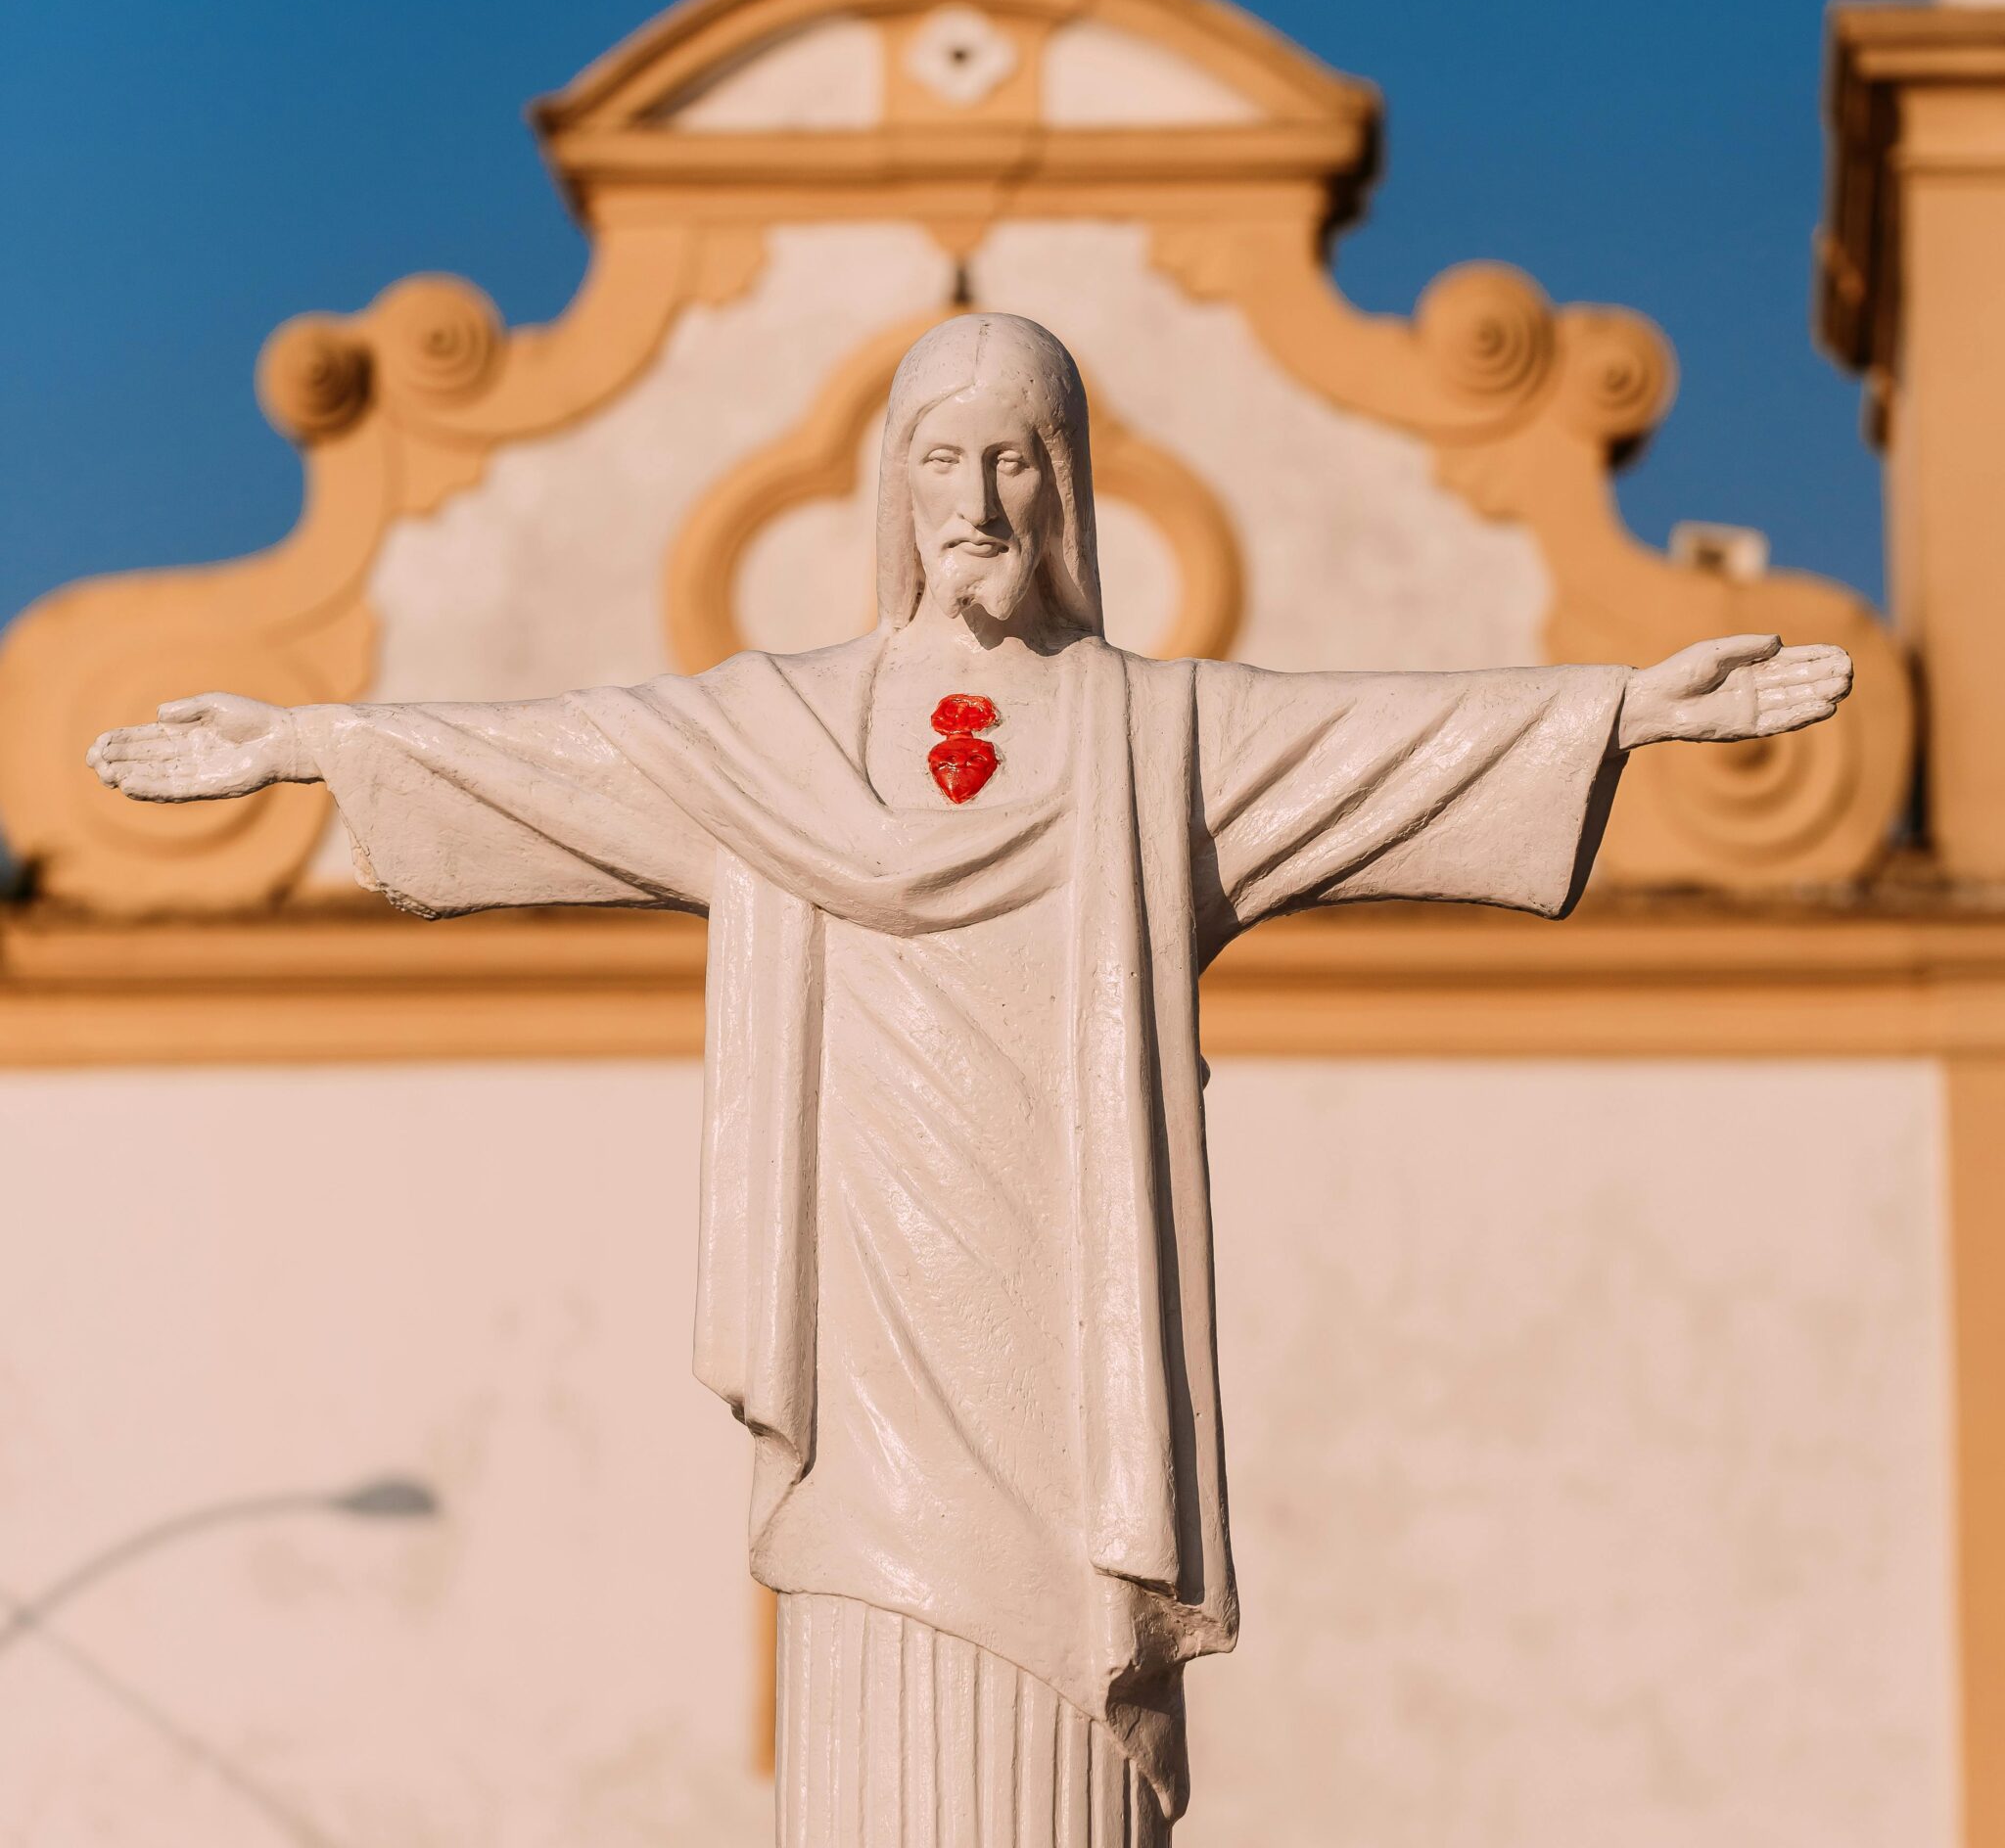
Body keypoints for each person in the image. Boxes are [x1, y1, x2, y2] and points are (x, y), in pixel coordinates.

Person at [90, 313, 1851, 1848]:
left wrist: (1620, 710)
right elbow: (560, 766)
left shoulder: (1156, 740)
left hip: (1076, 1362)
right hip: (865, 1361)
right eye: (946, 457)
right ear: (897, 483)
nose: (983, 501)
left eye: (1018, 459)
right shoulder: (775, 734)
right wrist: (313, 744)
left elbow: (1384, 746)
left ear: (1066, 485)